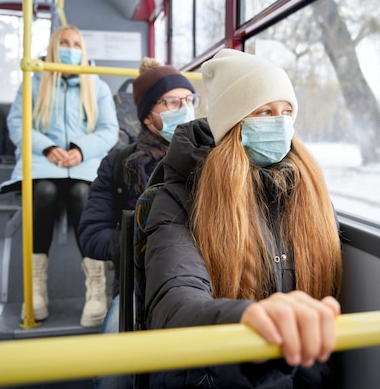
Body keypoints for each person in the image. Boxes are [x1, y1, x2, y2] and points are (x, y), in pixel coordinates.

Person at [143, 48, 343, 388]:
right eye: (265, 111)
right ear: (233, 124)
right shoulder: (179, 198)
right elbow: (174, 300)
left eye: (286, 112)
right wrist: (247, 321)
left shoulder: (308, 194)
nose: (279, 122)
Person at [78, 57, 198, 389]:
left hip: (203, 282)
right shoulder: (119, 164)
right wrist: (140, 244)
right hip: (137, 285)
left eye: (189, 100)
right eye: (172, 102)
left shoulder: (212, 157)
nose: (184, 108)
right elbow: (90, 234)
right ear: (148, 115)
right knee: (115, 372)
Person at [0, 25, 119, 327]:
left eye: (76, 44)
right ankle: (36, 286)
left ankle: (96, 287)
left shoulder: (98, 87)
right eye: (64, 43)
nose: (70, 48)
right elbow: (18, 123)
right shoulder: (35, 82)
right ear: (53, 48)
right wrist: (48, 147)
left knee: (82, 194)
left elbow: (108, 131)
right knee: (45, 193)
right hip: (44, 164)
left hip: (83, 165)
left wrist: (80, 150)